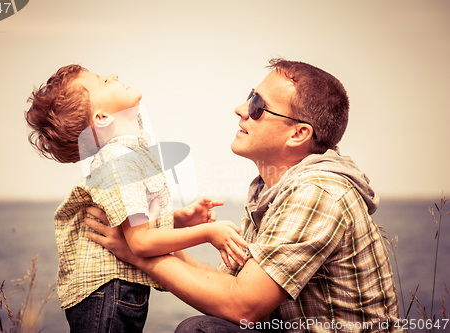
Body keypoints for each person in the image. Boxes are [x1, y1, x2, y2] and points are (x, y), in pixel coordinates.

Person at [84, 58, 402, 332]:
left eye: (258, 106)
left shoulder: (316, 195)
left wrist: (137, 255)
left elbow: (242, 307)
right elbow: (231, 288)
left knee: (198, 331)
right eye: (250, 97)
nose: (240, 110)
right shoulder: (272, 190)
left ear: (299, 133)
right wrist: (149, 240)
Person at [24, 64, 248, 333]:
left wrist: (178, 219)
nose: (115, 75)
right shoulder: (120, 161)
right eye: (104, 81)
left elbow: (133, 225)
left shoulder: (126, 155)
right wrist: (208, 232)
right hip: (106, 294)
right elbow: (141, 242)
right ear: (103, 117)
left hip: (112, 291)